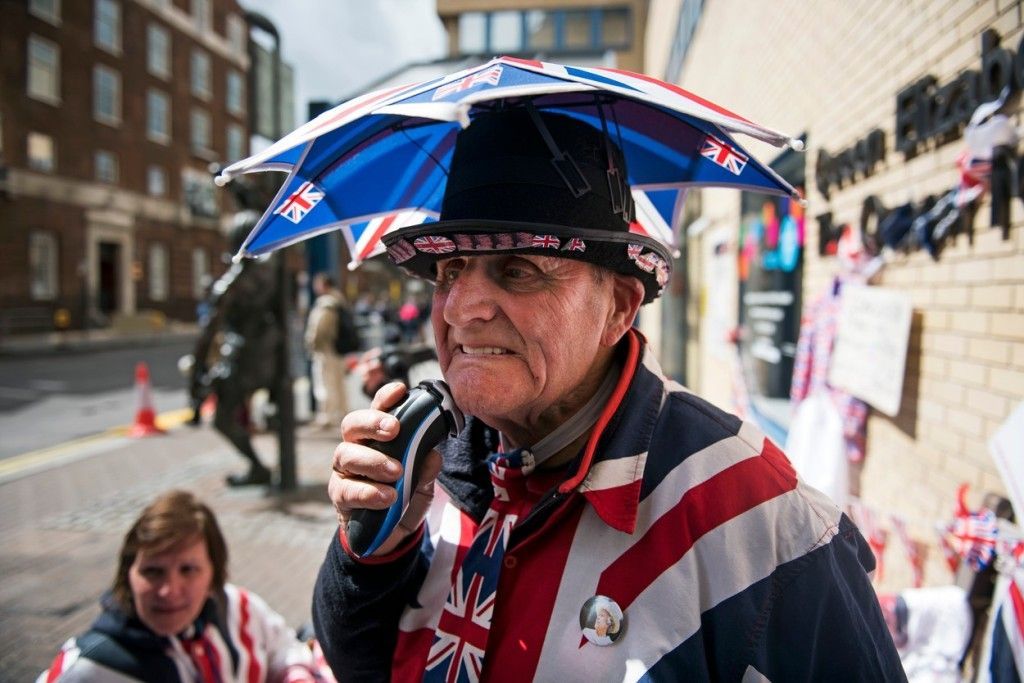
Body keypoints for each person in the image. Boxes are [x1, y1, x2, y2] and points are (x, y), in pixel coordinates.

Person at [312, 107, 905, 680]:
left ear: (618, 308)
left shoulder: (758, 517)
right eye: (449, 270)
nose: (462, 309)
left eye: (517, 268)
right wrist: (368, 550)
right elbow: (363, 664)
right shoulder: (425, 460)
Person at [38, 489, 333, 682]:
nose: (169, 590)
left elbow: (284, 651)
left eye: (188, 570)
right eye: (153, 572)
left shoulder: (238, 610)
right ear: (128, 574)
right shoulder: (88, 669)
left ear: (213, 576)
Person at [186, 211, 280, 486]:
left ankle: (258, 468)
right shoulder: (271, 274)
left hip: (240, 357)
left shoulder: (233, 282)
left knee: (222, 420)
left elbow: (208, 331)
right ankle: (259, 464)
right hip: (267, 354)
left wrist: (196, 372)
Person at [304, 273, 350, 431]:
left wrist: (311, 343)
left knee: (325, 383)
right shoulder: (339, 300)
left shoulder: (326, 303)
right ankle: (342, 413)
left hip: (326, 349)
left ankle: (326, 416)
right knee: (339, 383)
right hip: (338, 350)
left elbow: (319, 327)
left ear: (324, 284)